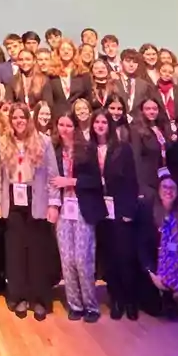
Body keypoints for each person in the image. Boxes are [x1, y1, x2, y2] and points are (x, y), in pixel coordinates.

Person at [0, 102, 60, 321]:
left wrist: (53, 204)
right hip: (12, 200)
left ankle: (39, 299)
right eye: (15, 118)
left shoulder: (43, 141)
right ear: (10, 120)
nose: (19, 121)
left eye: (22, 117)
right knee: (15, 252)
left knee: (37, 252)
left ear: (28, 119)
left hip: (36, 199)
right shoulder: (3, 142)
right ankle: (19, 297)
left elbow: (52, 175)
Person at [53, 113, 105, 322]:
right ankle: (75, 304)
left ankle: (91, 305)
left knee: (83, 259)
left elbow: (95, 181)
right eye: (61, 124)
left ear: (75, 128)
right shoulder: (54, 151)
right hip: (63, 209)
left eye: (68, 125)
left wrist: (71, 181)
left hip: (83, 208)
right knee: (67, 259)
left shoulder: (86, 149)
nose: (64, 129)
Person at [94, 110, 138, 320]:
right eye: (97, 122)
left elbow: (131, 180)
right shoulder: (89, 149)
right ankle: (116, 300)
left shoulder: (122, 149)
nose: (101, 125)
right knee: (109, 258)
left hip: (120, 207)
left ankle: (130, 300)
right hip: (99, 210)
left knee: (125, 256)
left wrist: (129, 210)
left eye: (104, 122)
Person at [135, 173, 178, 319]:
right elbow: (141, 244)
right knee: (152, 307)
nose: (168, 191)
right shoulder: (146, 210)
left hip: (173, 263)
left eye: (172, 187)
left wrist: (175, 270)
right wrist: (152, 273)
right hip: (151, 263)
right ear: (158, 190)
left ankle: (169, 297)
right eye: (164, 187)